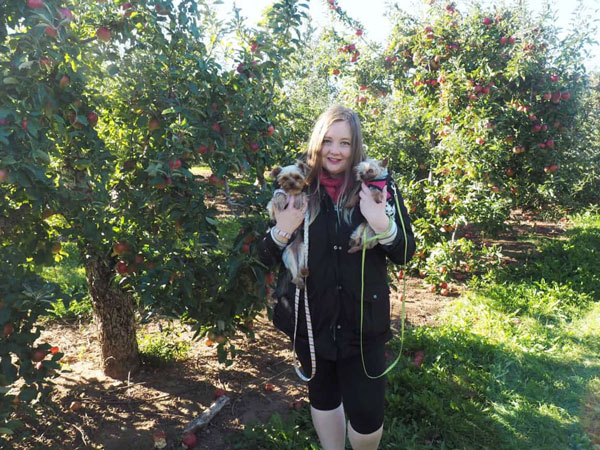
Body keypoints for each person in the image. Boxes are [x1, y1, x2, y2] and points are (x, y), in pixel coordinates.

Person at [257, 105, 416, 450]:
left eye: (344, 143)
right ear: (317, 142)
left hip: (363, 323)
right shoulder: (297, 188)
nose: (335, 151)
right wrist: (282, 231)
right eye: (328, 141)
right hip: (312, 319)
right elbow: (263, 256)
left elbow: (405, 253)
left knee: (367, 413)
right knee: (324, 396)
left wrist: (380, 223)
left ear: (355, 146)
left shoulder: (376, 186)